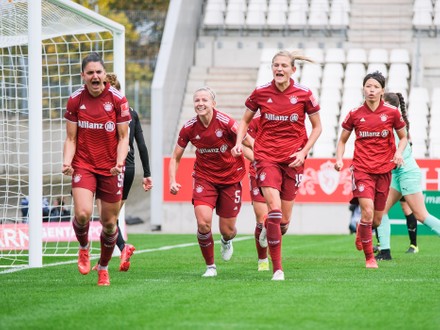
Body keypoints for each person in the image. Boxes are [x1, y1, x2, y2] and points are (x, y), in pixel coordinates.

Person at [232, 50, 322, 281]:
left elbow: (317, 127)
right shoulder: (260, 93)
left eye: (283, 65)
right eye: (275, 65)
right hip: (266, 158)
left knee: (282, 223)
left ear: (293, 69)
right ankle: (277, 269)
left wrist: (303, 151)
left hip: (293, 160)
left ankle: (268, 230)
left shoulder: (304, 94)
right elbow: (244, 121)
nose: (279, 69)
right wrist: (237, 143)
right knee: (274, 210)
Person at [62, 52, 131, 286]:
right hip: (84, 164)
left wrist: (120, 162)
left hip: (111, 167)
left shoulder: (118, 99)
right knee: (82, 214)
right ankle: (83, 247)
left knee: (109, 223)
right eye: (90, 72)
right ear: (83, 75)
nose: (95, 76)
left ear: (104, 74)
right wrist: (67, 161)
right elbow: (71, 138)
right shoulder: (74, 100)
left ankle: (102, 267)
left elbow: (124, 137)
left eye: (98, 72)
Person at [169, 86, 253, 278]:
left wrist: (247, 152)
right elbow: (175, 156)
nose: (200, 103)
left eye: (204, 100)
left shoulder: (227, 123)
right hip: (204, 178)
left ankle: (226, 240)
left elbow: (251, 144)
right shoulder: (189, 127)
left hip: (231, 179)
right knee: (203, 223)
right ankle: (210, 267)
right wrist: (172, 180)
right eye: (197, 100)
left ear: (213, 104)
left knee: (228, 230)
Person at [334, 72, 408, 269]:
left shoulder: (392, 112)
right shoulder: (355, 113)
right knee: (367, 212)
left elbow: (403, 137)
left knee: (376, 218)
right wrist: (339, 158)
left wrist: (399, 153)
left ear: (382, 90)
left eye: (375, 87)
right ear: (363, 89)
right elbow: (342, 140)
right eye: (368, 86)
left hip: (384, 170)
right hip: (362, 169)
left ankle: (361, 229)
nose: (371, 90)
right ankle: (370, 258)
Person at [92, 73, 153, 272]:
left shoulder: (103, 112)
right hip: (129, 169)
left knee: (107, 219)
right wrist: (147, 174)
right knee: (112, 218)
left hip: (110, 168)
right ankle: (108, 258)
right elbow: (142, 146)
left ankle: (122, 247)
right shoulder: (132, 112)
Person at [374, 92, 440, 261]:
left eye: (383, 103)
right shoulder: (390, 125)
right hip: (398, 174)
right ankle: (385, 252)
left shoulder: (393, 127)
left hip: (407, 173)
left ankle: (391, 249)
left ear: (391, 108)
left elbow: (391, 156)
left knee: (421, 215)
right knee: (380, 211)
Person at [243, 111, 269, 272]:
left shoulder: (285, 121)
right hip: (257, 173)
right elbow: (244, 146)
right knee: (261, 218)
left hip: (281, 173)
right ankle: (263, 259)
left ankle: (269, 231)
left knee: (279, 221)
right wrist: (262, 161)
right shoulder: (254, 123)